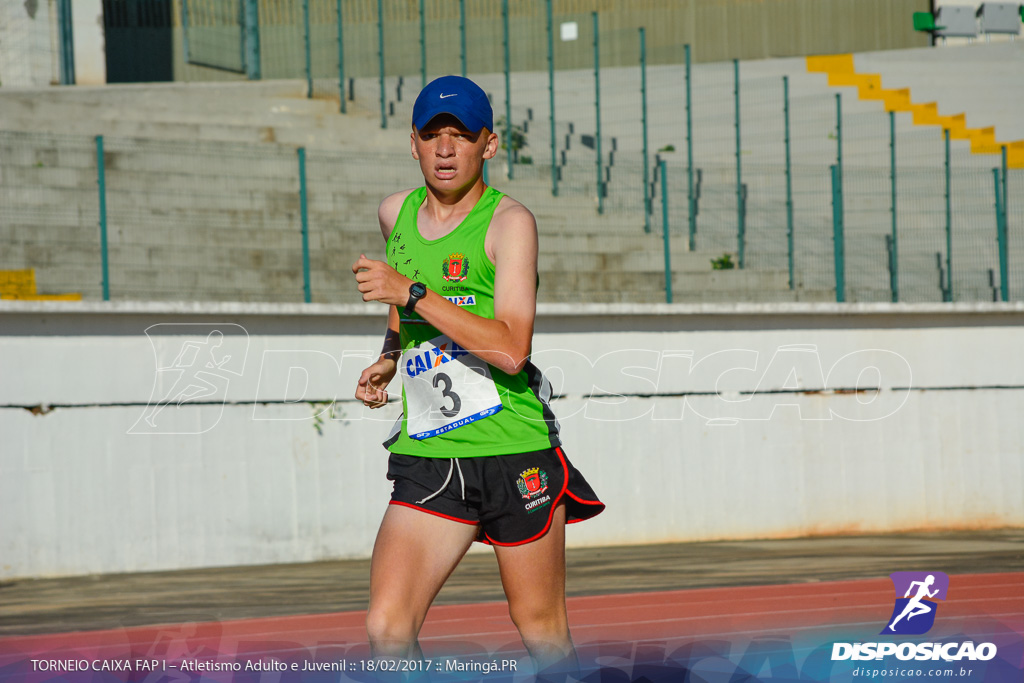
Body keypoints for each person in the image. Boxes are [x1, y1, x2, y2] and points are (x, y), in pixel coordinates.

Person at [352, 75, 604, 677]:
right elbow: (404, 289)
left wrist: (411, 292)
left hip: (514, 452)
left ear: (488, 145)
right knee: (387, 628)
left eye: (461, 136)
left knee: (542, 632)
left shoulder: (510, 224)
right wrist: (391, 352)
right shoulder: (396, 213)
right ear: (412, 142)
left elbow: (512, 349)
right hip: (432, 452)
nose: (445, 149)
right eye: (432, 135)